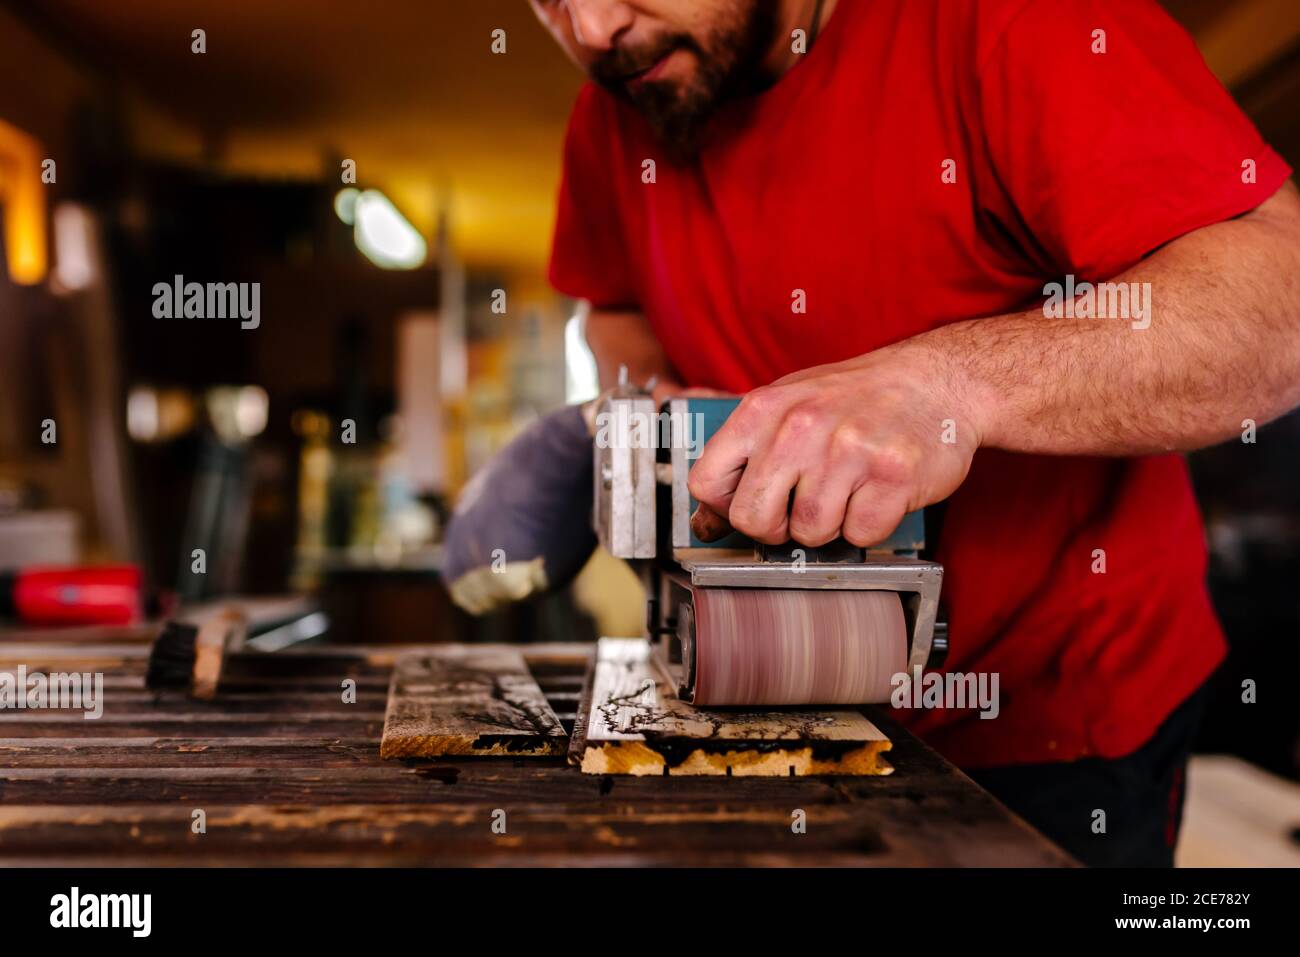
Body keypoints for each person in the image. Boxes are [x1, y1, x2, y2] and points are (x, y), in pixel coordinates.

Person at [528, 0, 1300, 865]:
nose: (591, 29)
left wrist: (946, 384)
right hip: (771, 695)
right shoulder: (620, 103)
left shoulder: (1013, 21)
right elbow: (615, 308)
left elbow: (1278, 310)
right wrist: (652, 414)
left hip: (1050, 712)